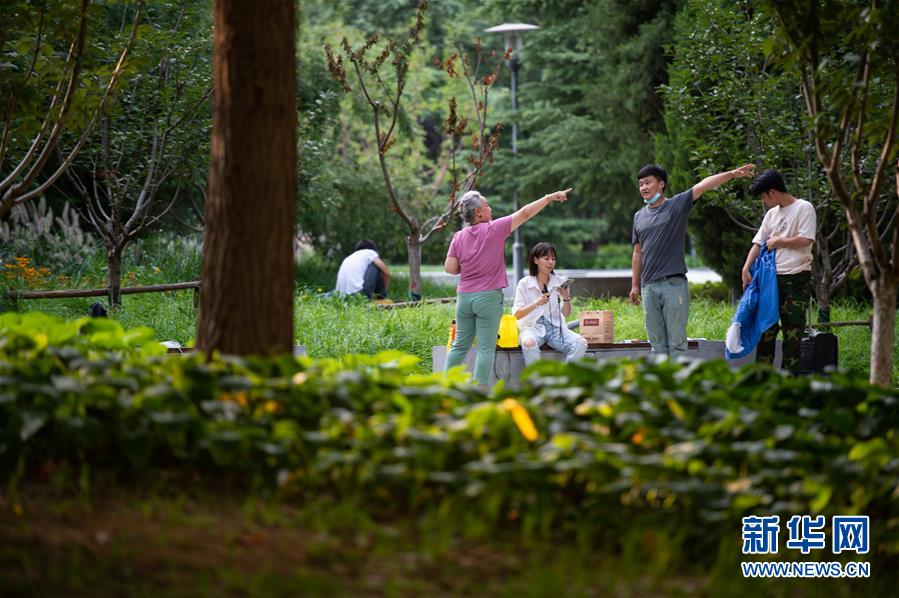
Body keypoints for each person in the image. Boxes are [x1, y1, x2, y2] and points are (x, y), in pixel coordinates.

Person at [444, 187, 571, 386]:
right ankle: (479, 393)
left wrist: (471, 263)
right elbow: (525, 213)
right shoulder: (495, 228)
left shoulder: (458, 237)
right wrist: (548, 197)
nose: (490, 208)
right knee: (486, 349)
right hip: (488, 298)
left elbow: (450, 268)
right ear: (478, 212)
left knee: (459, 346)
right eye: (486, 205)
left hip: (464, 298)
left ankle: (444, 388)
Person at [630, 162, 755, 357]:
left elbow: (703, 185)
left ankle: (678, 384)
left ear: (661, 184)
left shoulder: (676, 205)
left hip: (673, 283)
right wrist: (635, 285)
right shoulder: (638, 217)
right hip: (648, 287)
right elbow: (638, 252)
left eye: (647, 183)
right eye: (640, 184)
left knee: (677, 344)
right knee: (656, 346)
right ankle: (662, 385)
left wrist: (731, 174)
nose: (643, 188)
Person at [740, 169, 816, 373]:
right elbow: (758, 242)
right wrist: (746, 267)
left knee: (793, 336)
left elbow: (807, 239)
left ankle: (789, 385)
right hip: (769, 280)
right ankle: (762, 382)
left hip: (796, 280)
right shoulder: (771, 214)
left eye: (764, 197)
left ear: (772, 192)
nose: (764, 201)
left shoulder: (804, 208)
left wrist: (780, 241)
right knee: (765, 333)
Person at [513, 242, 587, 366]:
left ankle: (564, 380)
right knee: (529, 343)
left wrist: (566, 298)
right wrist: (536, 302)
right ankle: (538, 382)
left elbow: (566, 314)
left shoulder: (560, 281)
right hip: (532, 327)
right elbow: (517, 314)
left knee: (581, 343)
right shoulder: (524, 283)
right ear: (536, 260)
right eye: (546, 258)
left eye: (553, 259)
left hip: (556, 328)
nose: (551, 262)